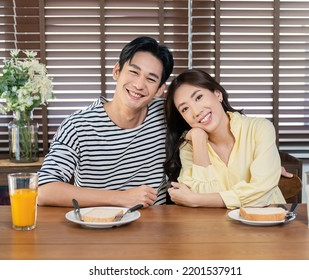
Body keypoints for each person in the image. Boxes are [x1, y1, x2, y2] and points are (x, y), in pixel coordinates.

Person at [37, 36, 174, 208]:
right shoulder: (77, 126)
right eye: (133, 72)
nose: (139, 85)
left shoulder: (167, 113)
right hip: (98, 227)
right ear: (117, 71)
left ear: (160, 89)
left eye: (151, 79)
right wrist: (120, 198)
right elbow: (44, 190)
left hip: (155, 228)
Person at [163, 69, 286, 209]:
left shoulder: (260, 128)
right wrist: (199, 140)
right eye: (185, 109)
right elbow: (199, 203)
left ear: (218, 94)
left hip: (268, 223)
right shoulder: (190, 146)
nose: (196, 112)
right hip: (217, 228)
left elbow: (262, 193)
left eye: (198, 97)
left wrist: (197, 200)